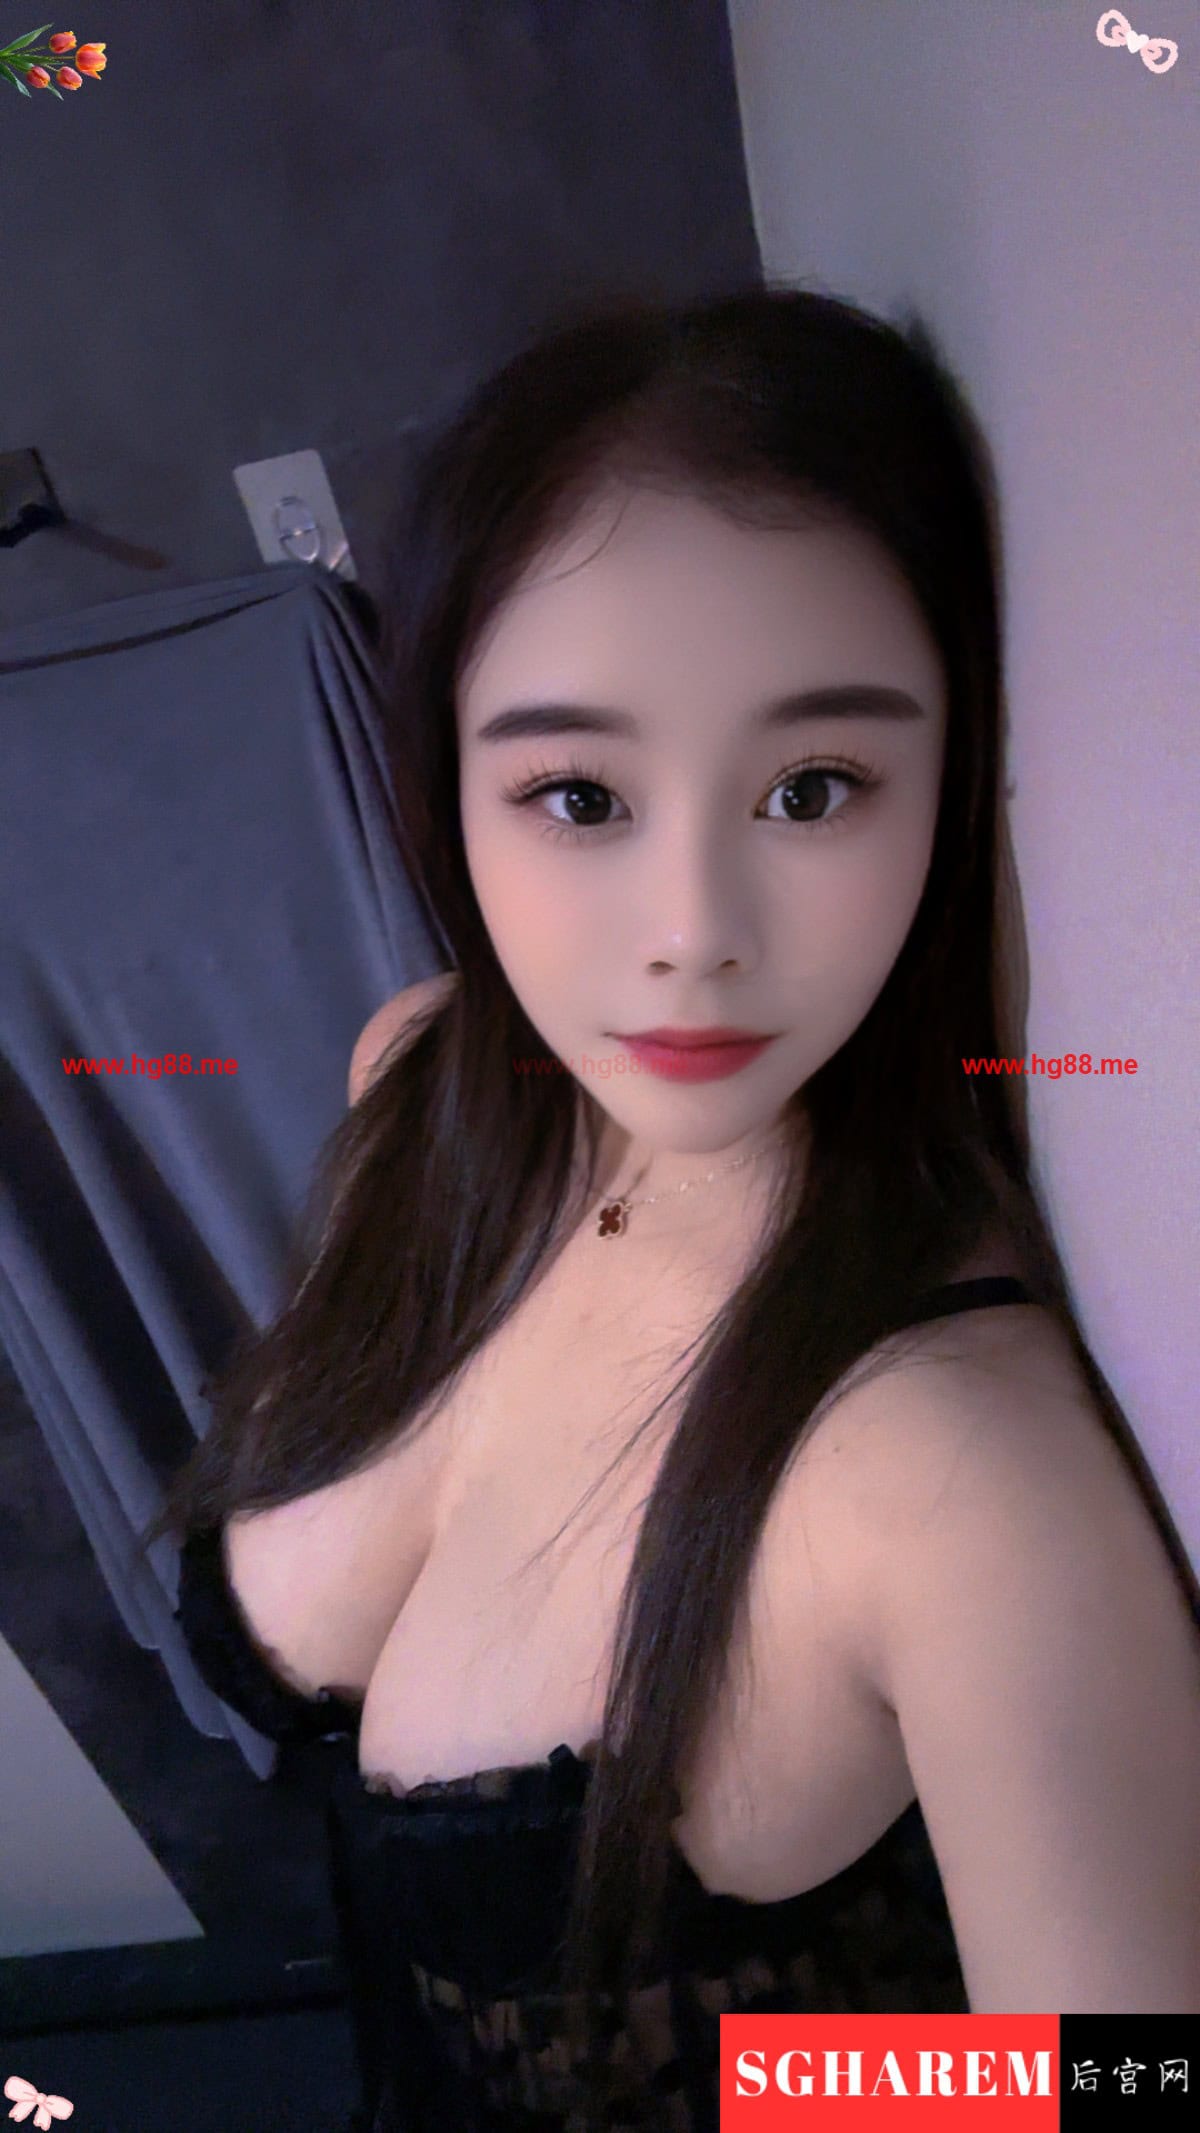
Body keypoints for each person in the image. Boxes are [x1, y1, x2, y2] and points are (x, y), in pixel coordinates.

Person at [140, 283, 1200, 2131]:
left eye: (813, 787)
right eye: (576, 794)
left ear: (951, 785)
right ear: (445, 787)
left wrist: (735, 2084)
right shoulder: (425, 1078)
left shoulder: (952, 1474)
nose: (691, 930)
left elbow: (1133, 2078)